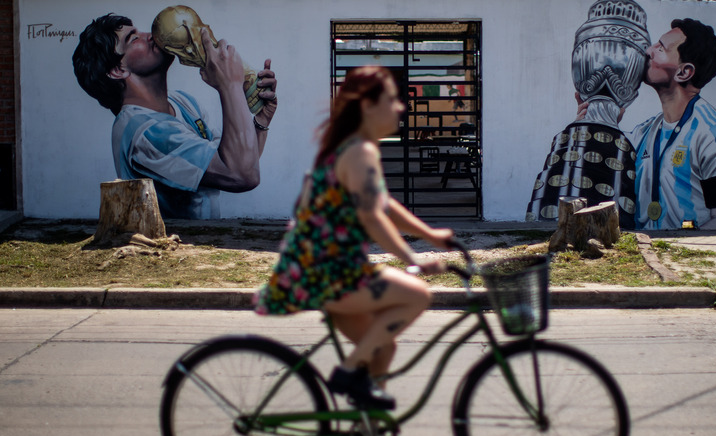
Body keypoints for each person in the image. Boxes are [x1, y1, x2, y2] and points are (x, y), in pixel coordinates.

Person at [254, 66, 453, 409]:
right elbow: (372, 216)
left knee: (382, 347)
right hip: (330, 274)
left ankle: (367, 426)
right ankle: (347, 372)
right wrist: (414, 259)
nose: (400, 107)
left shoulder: (354, 148)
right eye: (391, 100)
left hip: (324, 270)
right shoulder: (360, 152)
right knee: (417, 295)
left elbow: (383, 203)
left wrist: (431, 234)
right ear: (368, 107)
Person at [72, 14, 278, 219]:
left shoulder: (182, 102)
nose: (150, 35)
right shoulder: (145, 133)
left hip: (205, 243)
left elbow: (238, 162)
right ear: (117, 70)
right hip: (175, 248)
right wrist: (229, 85)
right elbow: (242, 176)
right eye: (133, 39)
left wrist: (260, 122)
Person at [577, 18, 716, 230]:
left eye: (661, 48)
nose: (649, 50)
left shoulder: (715, 133)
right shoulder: (644, 132)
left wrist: (682, 249)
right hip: (644, 255)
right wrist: (593, 121)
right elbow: (600, 168)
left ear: (683, 72)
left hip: (687, 258)